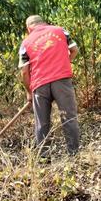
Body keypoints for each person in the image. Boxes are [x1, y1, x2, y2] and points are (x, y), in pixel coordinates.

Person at [19, 15, 80, 156]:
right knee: (69, 118)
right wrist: (65, 63)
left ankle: (44, 158)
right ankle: (74, 155)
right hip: (62, 81)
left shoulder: (26, 43)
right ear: (44, 23)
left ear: (29, 28)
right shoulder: (60, 31)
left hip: (40, 85)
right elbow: (75, 50)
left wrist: (29, 92)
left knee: (42, 123)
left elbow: (24, 72)